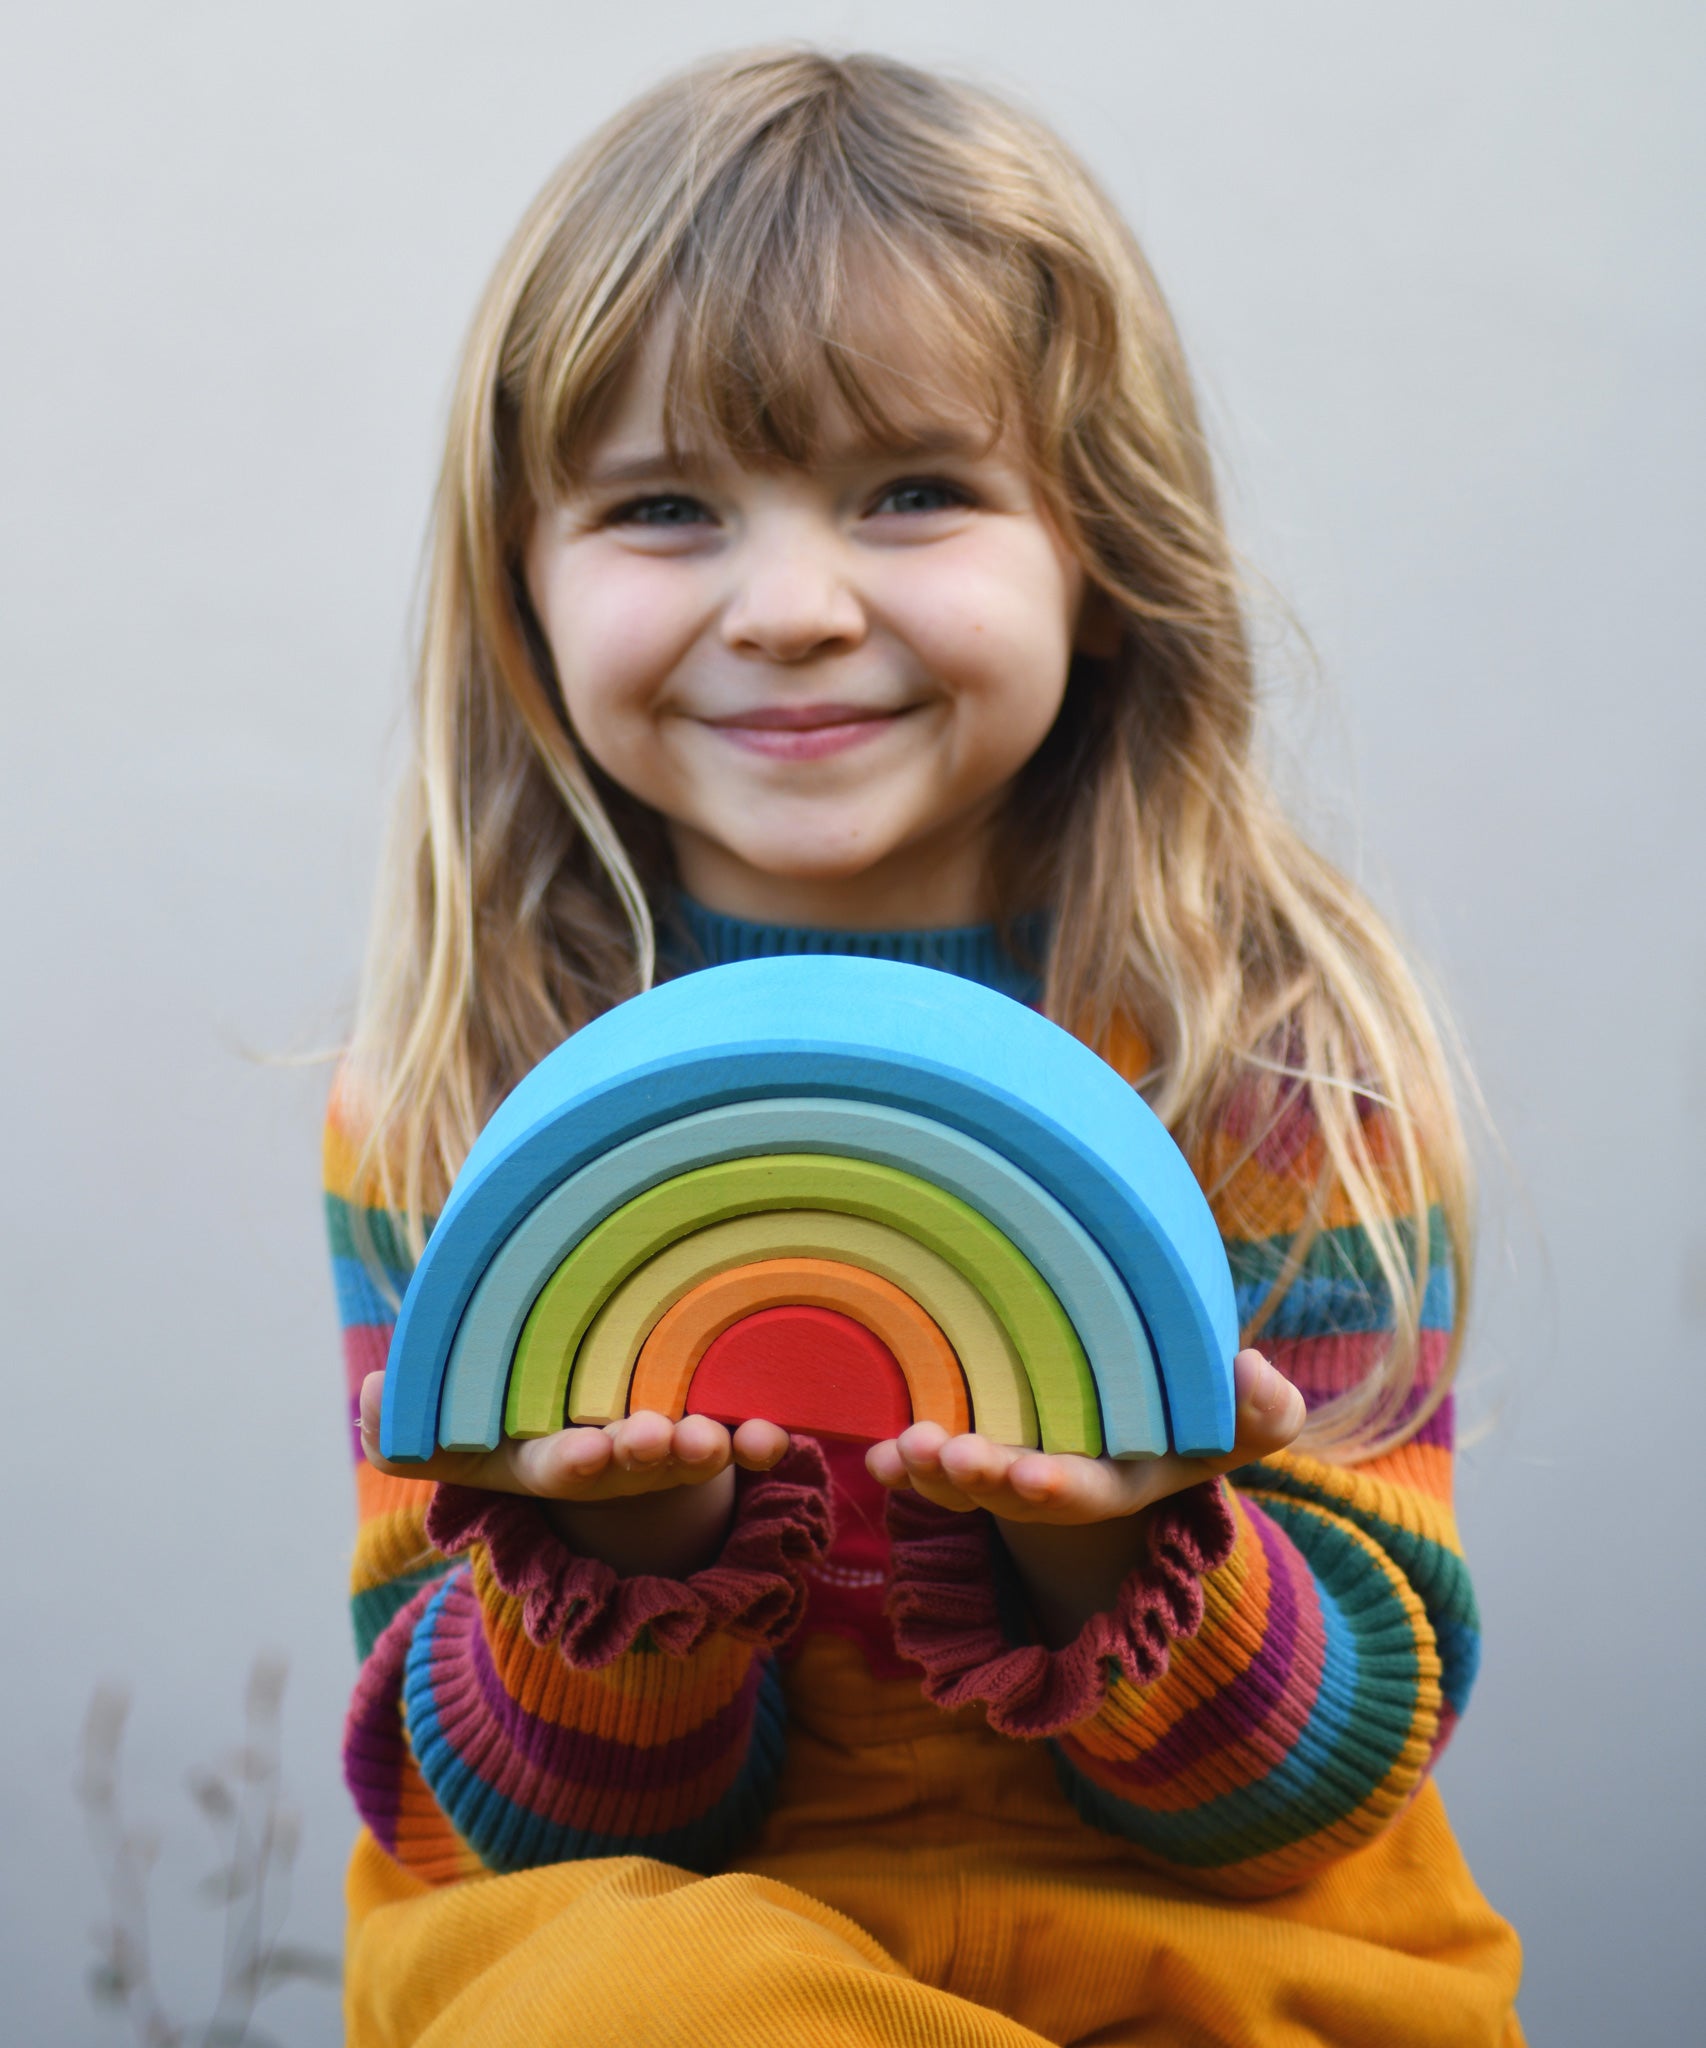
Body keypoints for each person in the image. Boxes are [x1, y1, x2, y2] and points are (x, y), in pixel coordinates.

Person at [328, 47, 1523, 2048]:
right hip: (660, 1960)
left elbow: (1313, 1793)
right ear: (522, 592)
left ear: (1100, 552)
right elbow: (498, 1829)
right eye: (662, 506)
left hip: (1195, 1952)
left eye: (912, 491)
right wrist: (625, 1560)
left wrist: (1126, 1554)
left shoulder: (1275, 1058)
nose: (791, 605)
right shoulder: (466, 1092)